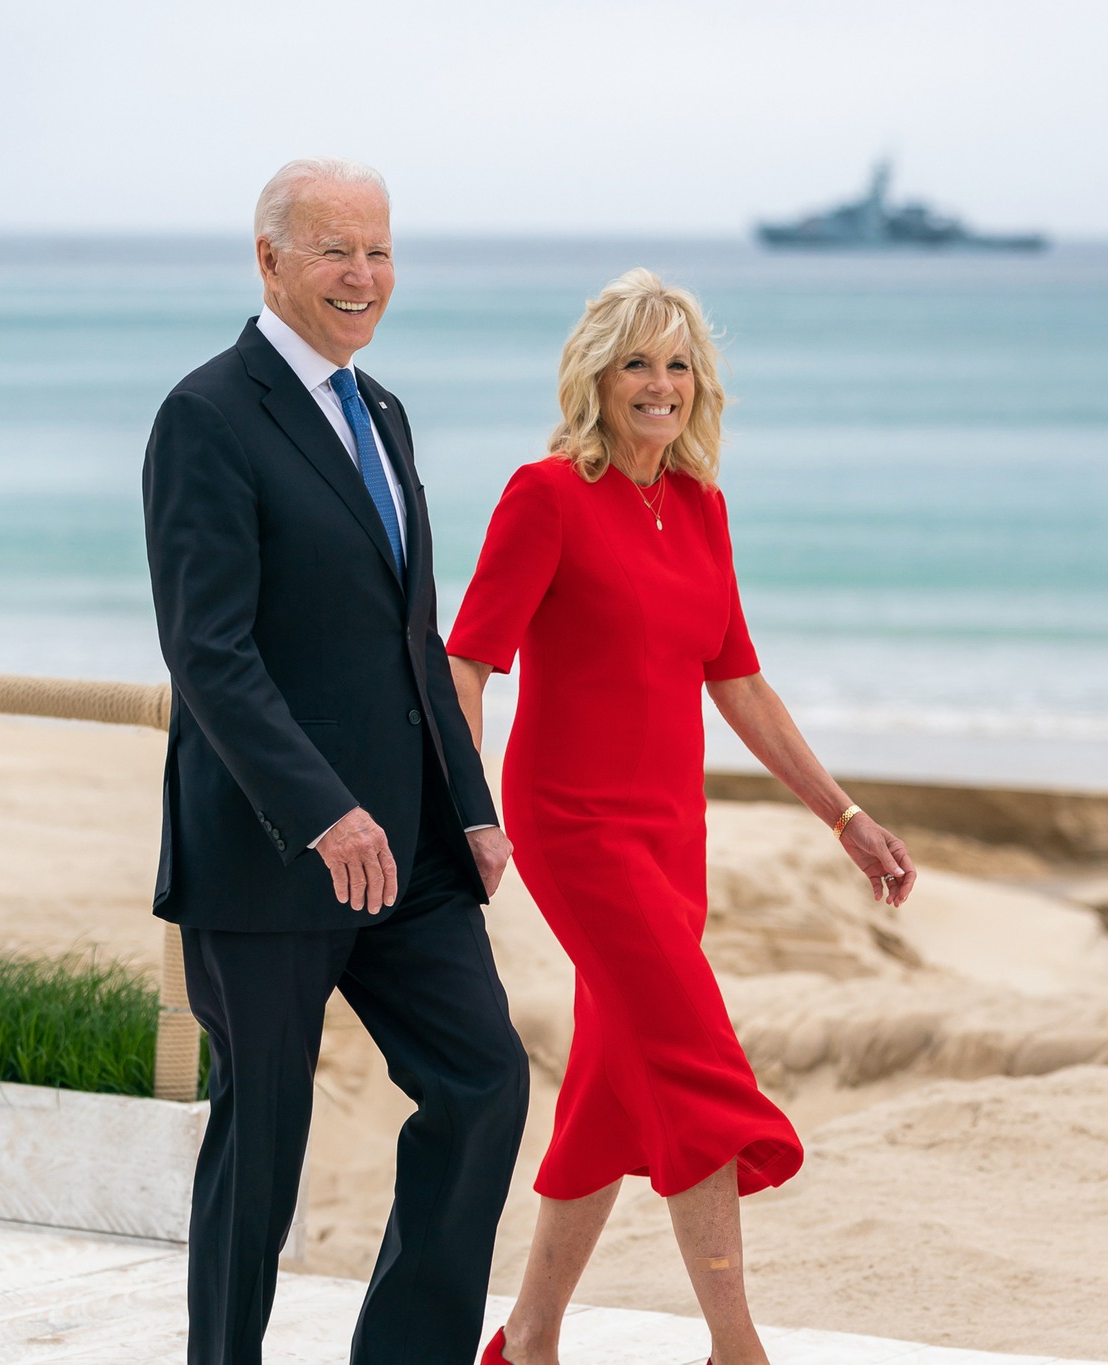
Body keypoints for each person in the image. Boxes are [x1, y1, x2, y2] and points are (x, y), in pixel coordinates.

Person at [448, 269, 918, 1365]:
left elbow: (738, 681)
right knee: (694, 1061)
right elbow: (467, 663)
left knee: (614, 1089)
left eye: (676, 363)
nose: (658, 384)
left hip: (670, 831)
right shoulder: (546, 494)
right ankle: (735, 1348)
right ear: (595, 379)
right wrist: (468, 812)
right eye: (635, 364)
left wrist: (841, 816)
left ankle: (526, 1345)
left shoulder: (701, 508)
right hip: (571, 824)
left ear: (697, 383)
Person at [142, 157, 528, 1365]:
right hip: (272, 855)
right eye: (332, 251)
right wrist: (320, 812)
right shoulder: (205, 415)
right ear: (268, 260)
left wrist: (468, 803)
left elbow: (414, 636)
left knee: (483, 1087)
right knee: (262, 1145)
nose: (362, 277)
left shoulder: (384, 412)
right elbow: (209, 652)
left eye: (378, 251)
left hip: (409, 847)